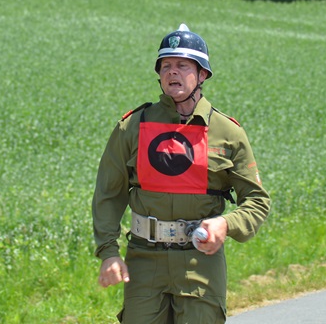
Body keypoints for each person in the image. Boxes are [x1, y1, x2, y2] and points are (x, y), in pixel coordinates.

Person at [92, 24, 271, 323]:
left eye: (182, 65)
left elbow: (257, 201)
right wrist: (108, 252)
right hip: (143, 259)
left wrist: (226, 224)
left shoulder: (227, 132)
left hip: (201, 260)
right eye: (166, 65)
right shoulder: (132, 126)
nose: (172, 72)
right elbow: (109, 194)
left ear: (202, 74)